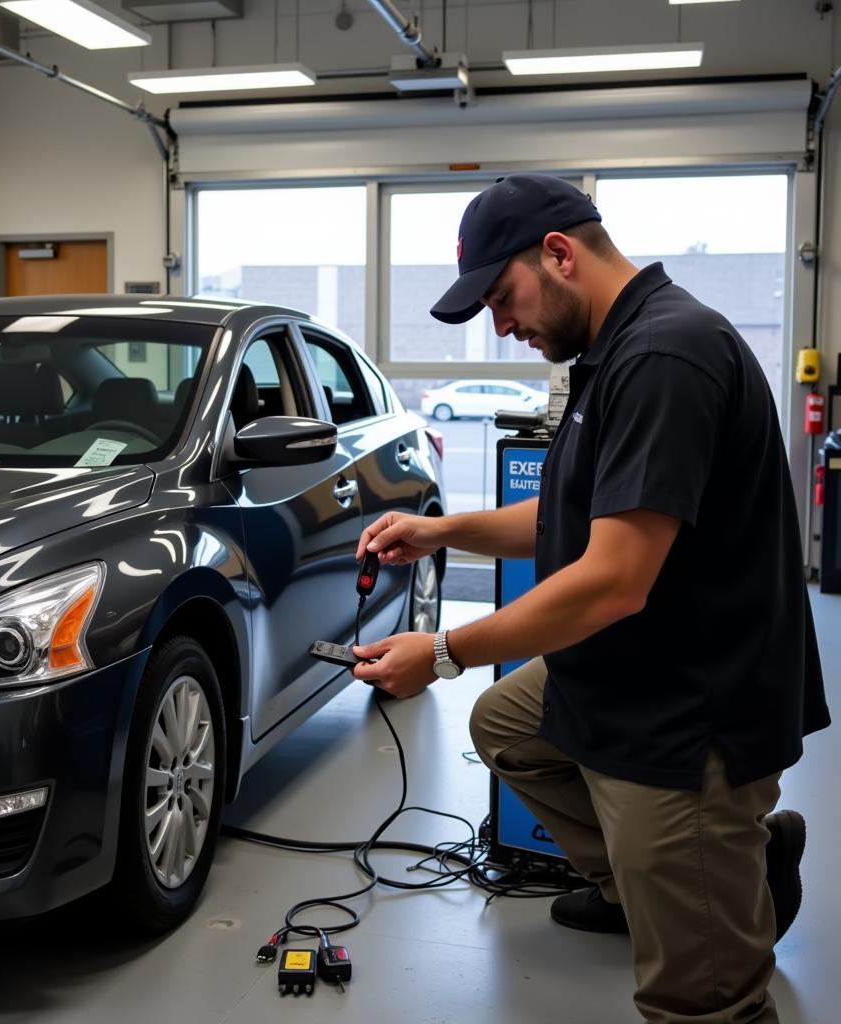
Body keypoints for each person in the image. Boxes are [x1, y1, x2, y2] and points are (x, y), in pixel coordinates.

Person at [352, 174, 830, 1024]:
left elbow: (613, 578)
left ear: (560, 255)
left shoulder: (662, 356)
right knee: (507, 727)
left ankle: (706, 882)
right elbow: (576, 511)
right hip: (639, 664)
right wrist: (442, 530)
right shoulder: (615, 350)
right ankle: (677, 883)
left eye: (503, 298)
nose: (501, 326)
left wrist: (445, 651)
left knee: (699, 1004)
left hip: (691, 711)